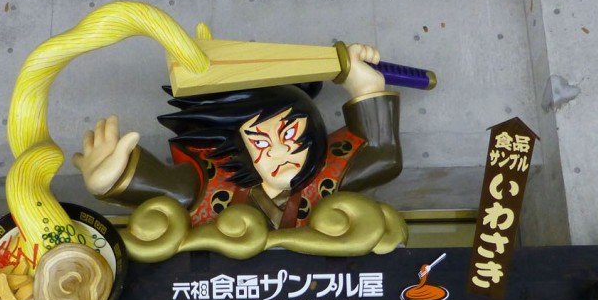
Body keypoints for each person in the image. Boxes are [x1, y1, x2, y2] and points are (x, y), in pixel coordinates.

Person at [72, 43, 401, 230]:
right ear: (239, 146)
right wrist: (113, 177)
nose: (280, 150)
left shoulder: (327, 173)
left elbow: (382, 155)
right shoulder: (209, 184)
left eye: (290, 132)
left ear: (312, 127)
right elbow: (164, 185)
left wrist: (365, 85)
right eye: (260, 142)